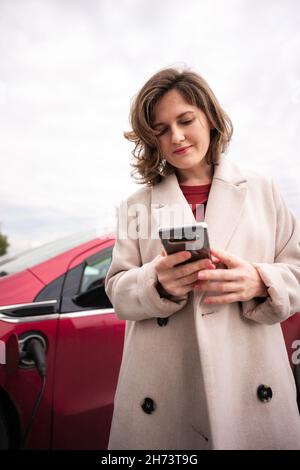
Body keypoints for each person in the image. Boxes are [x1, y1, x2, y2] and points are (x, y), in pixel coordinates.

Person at [105, 67, 300, 450]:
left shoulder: (263, 189)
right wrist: (155, 283)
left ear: (209, 117)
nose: (176, 136)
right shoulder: (135, 205)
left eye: (185, 120)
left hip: (250, 385)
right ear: (151, 140)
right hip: (165, 393)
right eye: (161, 129)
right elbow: (116, 289)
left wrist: (260, 281)